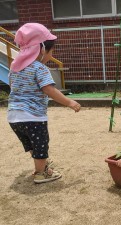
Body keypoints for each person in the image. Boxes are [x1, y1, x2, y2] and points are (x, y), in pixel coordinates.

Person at [7, 23, 81, 184]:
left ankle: (42, 166)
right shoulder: (39, 68)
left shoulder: (14, 67)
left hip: (13, 117)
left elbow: (13, 87)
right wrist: (69, 102)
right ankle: (41, 173)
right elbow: (49, 90)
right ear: (41, 49)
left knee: (33, 143)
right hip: (32, 116)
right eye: (51, 50)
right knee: (41, 145)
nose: (51, 54)